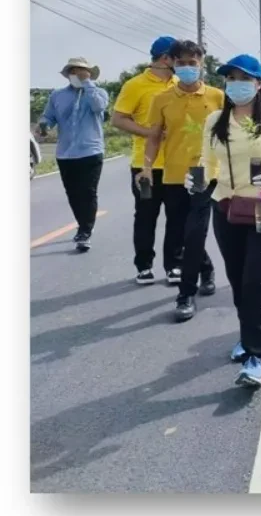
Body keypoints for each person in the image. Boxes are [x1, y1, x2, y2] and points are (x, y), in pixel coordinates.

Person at [189, 53, 261, 388]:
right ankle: (246, 334)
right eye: (231, 79)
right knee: (237, 278)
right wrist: (197, 178)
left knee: (256, 280)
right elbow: (208, 161)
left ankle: (255, 357)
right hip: (226, 207)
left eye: (245, 79)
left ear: (259, 84)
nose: (237, 85)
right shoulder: (215, 120)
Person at [141, 41, 225, 321]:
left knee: (195, 232)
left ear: (202, 64)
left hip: (204, 174)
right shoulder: (162, 99)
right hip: (174, 174)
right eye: (182, 63)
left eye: (193, 62)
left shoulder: (217, 97)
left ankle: (185, 295)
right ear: (172, 64)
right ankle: (206, 268)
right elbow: (154, 137)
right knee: (181, 232)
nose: (187, 67)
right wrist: (146, 167)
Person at [112, 36, 178, 284]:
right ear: (165, 58)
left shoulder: (180, 84)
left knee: (176, 217)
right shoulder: (135, 85)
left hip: (176, 164)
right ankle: (144, 266)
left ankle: (174, 265)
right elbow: (118, 119)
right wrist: (148, 132)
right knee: (146, 217)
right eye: (177, 57)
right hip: (146, 166)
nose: (182, 63)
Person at [38, 57, 109, 252]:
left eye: (81, 71)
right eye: (73, 71)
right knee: (73, 194)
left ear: (89, 74)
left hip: (91, 151)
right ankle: (83, 223)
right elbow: (49, 116)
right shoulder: (57, 95)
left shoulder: (99, 93)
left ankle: (85, 231)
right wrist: (44, 125)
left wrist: (87, 84)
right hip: (66, 153)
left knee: (88, 192)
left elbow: (99, 107)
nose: (76, 74)